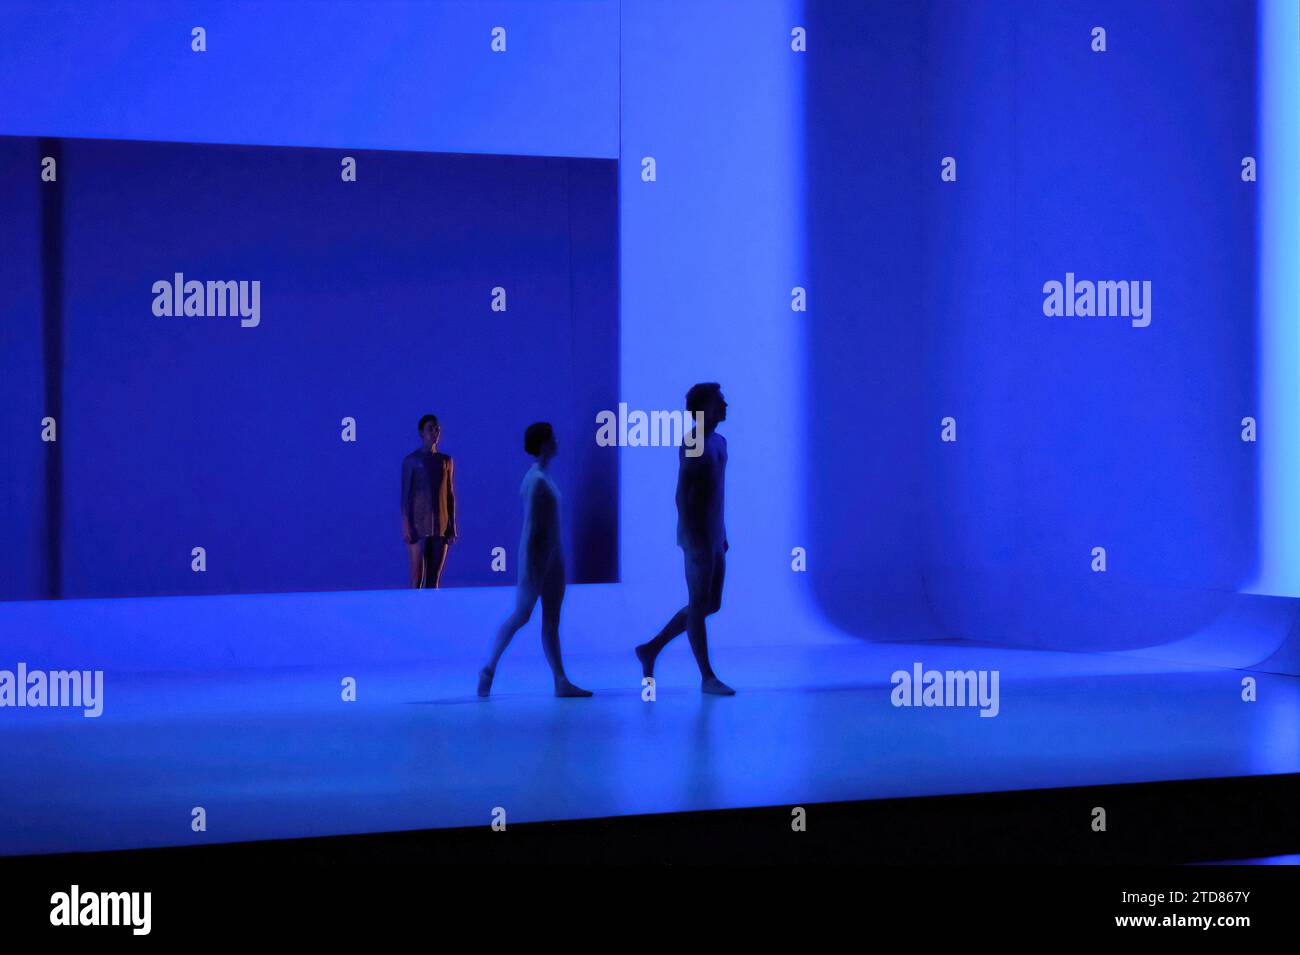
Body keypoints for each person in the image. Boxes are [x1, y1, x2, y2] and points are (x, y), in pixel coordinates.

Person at [478, 423, 592, 698]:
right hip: (536, 559)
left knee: (550, 620)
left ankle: (560, 681)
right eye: (552, 437)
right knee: (522, 615)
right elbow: (530, 528)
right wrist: (533, 566)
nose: (556, 440)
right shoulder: (536, 481)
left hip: (552, 557)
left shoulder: (543, 478)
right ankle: (489, 669)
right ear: (542, 443)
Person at [636, 383, 735, 695]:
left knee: (710, 604)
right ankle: (707, 677)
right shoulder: (692, 441)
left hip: (714, 534)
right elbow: (682, 493)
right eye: (720, 401)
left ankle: (651, 648)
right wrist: (693, 538)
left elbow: (717, 492)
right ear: (704, 406)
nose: (726, 405)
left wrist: (722, 533)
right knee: (697, 603)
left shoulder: (720, 441)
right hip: (696, 537)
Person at [401, 414, 457, 588]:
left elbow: (449, 494)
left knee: (434, 579)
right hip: (418, 527)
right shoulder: (412, 461)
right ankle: (412, 613)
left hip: (440, 527)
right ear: (421, 432)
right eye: (431, 428)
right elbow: (405, 497)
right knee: (417, 578)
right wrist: (406, 526)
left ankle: (432, 614)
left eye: (437, 428)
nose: (435, 431)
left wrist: (452, 526)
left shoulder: (445, 460)